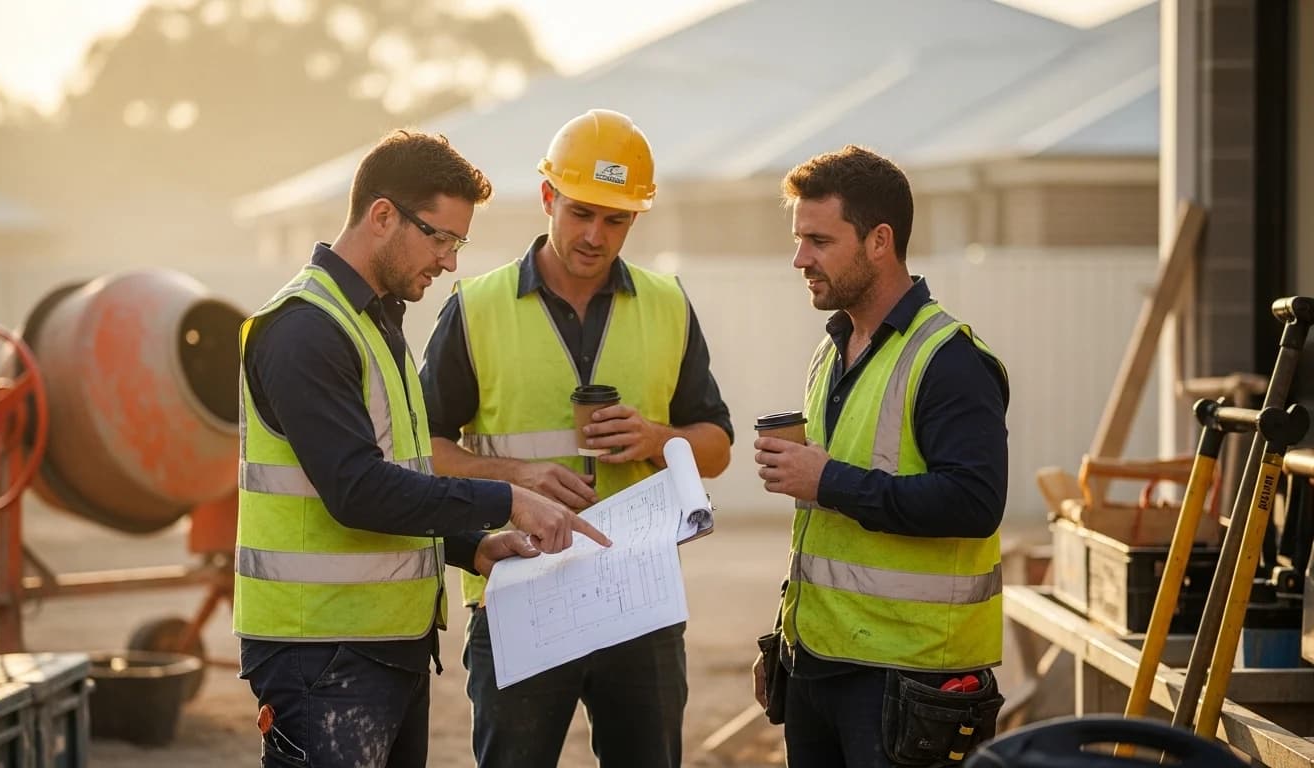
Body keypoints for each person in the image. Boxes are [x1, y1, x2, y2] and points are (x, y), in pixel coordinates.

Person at [233, 128, 609, 768]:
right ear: (382, 216)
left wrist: (471, 546)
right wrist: (508, 499)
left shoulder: (373, 321)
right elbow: (358, 490)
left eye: (457, 243)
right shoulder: (305, 329)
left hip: (379, 648)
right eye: (441, 238)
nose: (449, 262)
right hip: (321, 655)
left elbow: (398, 481)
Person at [419, 109, 734, 768]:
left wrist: (656, 437)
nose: (595, 235)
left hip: (640, 595)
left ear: (635, 218)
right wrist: (517, 475)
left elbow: (716, 447)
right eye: (581, 212)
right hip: (519, 585)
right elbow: (423, 451)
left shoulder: (668, 304)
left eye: (615, 220)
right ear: (547, 198)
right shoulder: (476, 308)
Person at [752, 145, 1009, 767]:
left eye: (819, 240)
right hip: (817, 665)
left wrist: (828, 481)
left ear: (879, 242)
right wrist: (785, 638)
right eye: (798, 239)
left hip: (908, 680)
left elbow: (975, 503)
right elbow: (825, 527)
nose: (800, 258)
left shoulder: (949, 360)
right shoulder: (833, 348)